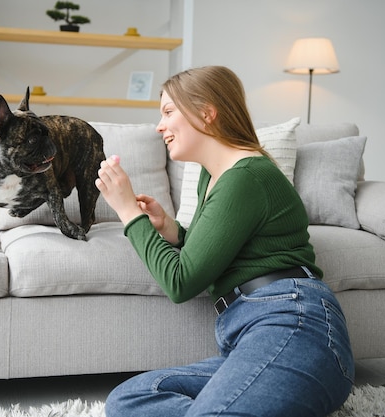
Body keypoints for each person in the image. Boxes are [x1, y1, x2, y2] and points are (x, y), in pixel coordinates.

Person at [95, 66, 354, 417]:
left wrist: (129, 213)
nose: (160, 126)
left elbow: (181, 282)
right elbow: (216, 250)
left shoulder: (246, 176)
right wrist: (171, 230)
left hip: (293, 324)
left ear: (206, 113)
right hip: (248, 336)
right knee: (128, 400)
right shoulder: (213, 177)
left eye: (169, 112)